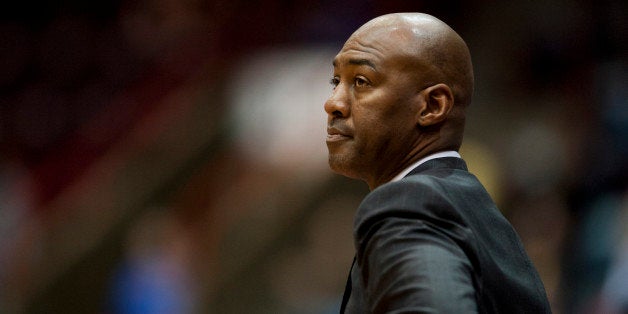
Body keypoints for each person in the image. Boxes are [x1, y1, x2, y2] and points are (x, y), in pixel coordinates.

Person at [324, 12, 551, 313]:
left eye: (362, 81)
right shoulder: (470, 210)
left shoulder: (411, 205)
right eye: (336, 81)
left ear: (433, 106)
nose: (333, 102)